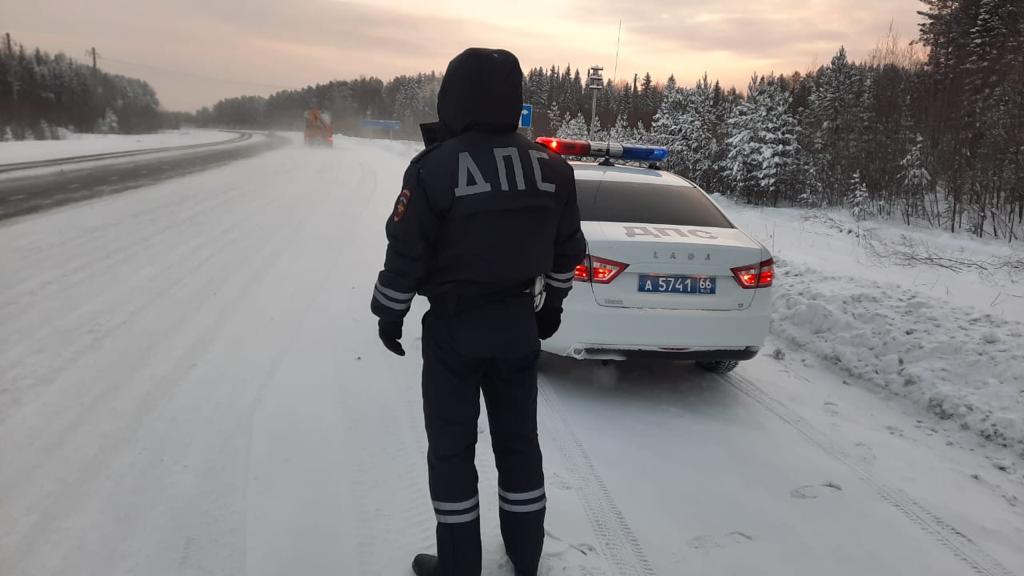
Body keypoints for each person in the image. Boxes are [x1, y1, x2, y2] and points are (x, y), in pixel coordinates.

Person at [370, 48, 586, 576]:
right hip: (517, 325)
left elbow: (407, 249)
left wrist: (390, 311)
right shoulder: (553, 168)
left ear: (454, 97)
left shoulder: (434, 167)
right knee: (519, 446)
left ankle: (460, 565)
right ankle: (525, 557)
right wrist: (551, 306)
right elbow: (567, 249)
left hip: (454, 329)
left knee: (452, 451)